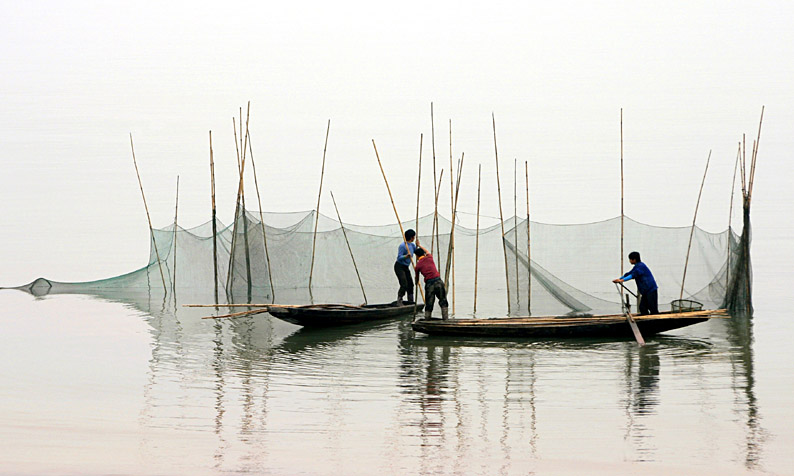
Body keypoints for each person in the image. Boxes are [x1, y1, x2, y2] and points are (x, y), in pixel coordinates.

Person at [414, 245, 449, 320]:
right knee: (443, 300)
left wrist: (416, 283)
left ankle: (427, 319)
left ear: (417, 256)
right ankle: (445, 319)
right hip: (438, 281)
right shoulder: (429, 257)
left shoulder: (418, 265)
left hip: (430, 284)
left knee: (429, 303)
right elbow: (427, 251)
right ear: (423, 254)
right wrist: (420, 245)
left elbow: (416, 277)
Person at [394, 229, 417, 304]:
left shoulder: (413, 245)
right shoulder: (403, 246)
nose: (414, 238)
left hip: (406, 267)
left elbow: (417, 252)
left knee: (410, 284)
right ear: (411, 237)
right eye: (414, 237)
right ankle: (399, 300)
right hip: (399, 266)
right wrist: (406, 256)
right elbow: (399, 257)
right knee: (404, 284)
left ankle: (411, 301)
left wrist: (418, 246)